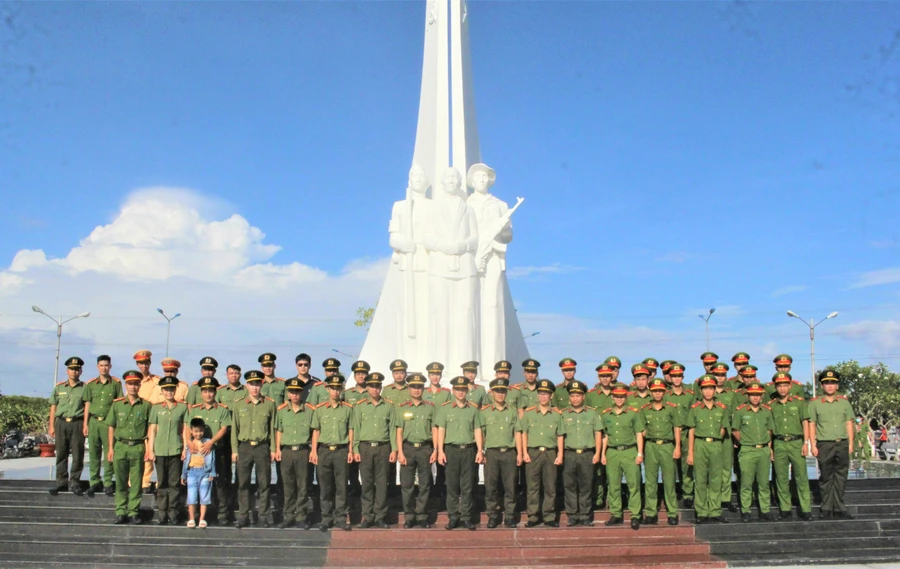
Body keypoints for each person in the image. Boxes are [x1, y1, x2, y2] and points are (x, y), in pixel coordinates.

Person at [423, 167, 480, 368]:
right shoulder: (433, 208)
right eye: (448, 177)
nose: (452, 181)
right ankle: (439, 366)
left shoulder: (469, 209)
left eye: (455, 178)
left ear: (459, 182)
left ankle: (466, 366)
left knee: (466, 313)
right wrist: (443, 246)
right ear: (442, 182)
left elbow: (475, 238)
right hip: (440, 265)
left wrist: (462, 246)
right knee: (439, 314)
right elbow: (426, 237)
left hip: (465, 266)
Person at [436, 376, 484, 530]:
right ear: (453, 390)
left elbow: (477, 431)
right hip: (451, 451)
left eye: (463, 389)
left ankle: (466, 517)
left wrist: (480, 450)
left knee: (467, 486)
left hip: (468, 450)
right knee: (452, 486)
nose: (461, 392)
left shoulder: (473, 409)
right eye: (458, 389)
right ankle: (453, 517)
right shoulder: (445, 409)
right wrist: (440, 451)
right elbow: (441, 430)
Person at [231, 370, 276, 528]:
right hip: (244, 448)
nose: (255, 387)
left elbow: (272, 429)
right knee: (243, 483)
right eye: (252, 384)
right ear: (247, 385)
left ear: (261, 385)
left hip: (262, 447)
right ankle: (243, 516)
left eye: (257, 384)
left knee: (264, 483)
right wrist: (234, 450)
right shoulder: (239, 405)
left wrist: (273, 449)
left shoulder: (269, 404)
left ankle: (263, 516)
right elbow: (234, 430)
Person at [353, 372, 398, 528]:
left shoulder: (389, 406)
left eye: (377, 386)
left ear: (381, 388)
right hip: (365, 448)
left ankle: (380, 516)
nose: (375, 389)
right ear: (367, 388)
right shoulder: (359, 407)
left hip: (383, 448)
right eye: (372, 386)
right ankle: (368, 516)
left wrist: (394, 450)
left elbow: (392, 429)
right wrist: (355, 449)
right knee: (366, 483)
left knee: (381, 483)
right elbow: (356, 429)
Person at [107, 370, 152, 524]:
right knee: (120, 482)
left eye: (135, 384)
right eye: (130, 384)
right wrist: (111, 449)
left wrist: (148, 448)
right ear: (126, 385)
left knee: (136, 482)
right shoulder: (117, 404)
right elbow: (111, 426)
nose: (133, 387)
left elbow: (150, 428)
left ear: (140, 385)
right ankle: (120, 511)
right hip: (120, 446)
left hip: (138, 447)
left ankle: (133, 511)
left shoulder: (146, 406)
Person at [808, 369, 854, 519]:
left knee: (841, 476)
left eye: (833, 383)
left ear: (837, 385)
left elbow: (848, 423)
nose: (830, 386)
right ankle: (826, 508)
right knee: (826, 476)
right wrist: (813, 445)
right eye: (826, 383)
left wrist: (851, 443)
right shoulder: (815, 404)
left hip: (842, 443)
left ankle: (840, 507)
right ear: (822, 386)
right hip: (824, 444)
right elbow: (812, 424)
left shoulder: (844, 403)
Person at [311, 375, 354, 532]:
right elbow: (316, 431)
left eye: (338, 388)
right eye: (332, 388)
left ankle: (341, 517)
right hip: (324, 451)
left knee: (341, 486)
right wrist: (314, 451)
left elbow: (351, 430)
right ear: (327, 389)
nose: (335, 391)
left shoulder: (348, 409)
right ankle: (326, 518)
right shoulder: (320, 409)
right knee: (325, 486)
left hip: (341, 450)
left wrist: (350, 450)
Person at [517, 379, 563, 528]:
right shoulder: (529, 414)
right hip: (533, 452)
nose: (543, 397)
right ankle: (533, 516)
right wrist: (524, 452)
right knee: (532, 487)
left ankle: (549, 516)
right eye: (541, 394)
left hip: (550, 452)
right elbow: (524, 433)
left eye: (546, 394)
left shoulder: (557, 414)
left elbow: (560, 435)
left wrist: (560, 454)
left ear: (551, 396)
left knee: (550, 486)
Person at [189, 376, 233, 525]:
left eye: (211, 391)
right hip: (198, 454)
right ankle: (197, 516)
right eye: (205, 391)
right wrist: (189, 442)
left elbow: (224, 428)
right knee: (198, 483)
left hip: (217, 451)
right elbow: (186, 427)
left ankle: (222, 515)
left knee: (220, 483)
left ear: (215, 392)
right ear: (201, 393)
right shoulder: (194, 410)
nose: (208, 394)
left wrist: (212, 442)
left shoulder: (222, 410)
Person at [601, 384, 645, 530]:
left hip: (629, 451)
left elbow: (639, 433)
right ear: (612, 397)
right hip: (612, 452)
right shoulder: (606, 414)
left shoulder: (633, 413)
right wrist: (603, 453)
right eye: (616, 396)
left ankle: (635, 515)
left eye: (622, 396)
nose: (619, 399)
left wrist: (640, 453)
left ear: (625, 397)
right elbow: (605, 436)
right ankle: (616, 514)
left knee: (634, 484)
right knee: (613, 485)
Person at [686, 375, 730, 524]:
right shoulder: (695, 409)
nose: (708, 392)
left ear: (714, 390)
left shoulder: (721, 408)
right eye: (705, 389)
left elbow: (724, 428)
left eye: (711, 388)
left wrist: (716, 439)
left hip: (716, 445)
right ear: (701, 390)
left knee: (716, 479)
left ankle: (715, 511)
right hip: (700, 444)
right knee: (700, 479)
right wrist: (691, 452)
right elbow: (691, 431)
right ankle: (702, 511)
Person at [769, 372, 812, 520]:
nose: (782, 389)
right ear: (776, 387)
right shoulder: (771, 405)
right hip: (779, 443)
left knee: (801, 477)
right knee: (781, 478)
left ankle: (805, 509)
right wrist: (770, 447)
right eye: (779, 386)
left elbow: (805, 423)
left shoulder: (799, 403)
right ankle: (785, 509)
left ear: (790, 386)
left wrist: (806, 443)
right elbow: (769, 428)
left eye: (785, 385)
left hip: (796, 442)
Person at [396, 373, 436, 528]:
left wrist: (436, 449)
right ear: (408, 388)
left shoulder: (430, 408)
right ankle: (409, 516)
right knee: (407, 485)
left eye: (419, 387)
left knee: (425, 484)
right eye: (414, 386)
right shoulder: (402, 408)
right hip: (407, 448)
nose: (416, 390)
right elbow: (399, 431)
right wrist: (400, 451)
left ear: (423, 389)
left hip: (425, 448)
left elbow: (434, 429)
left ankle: (422, 516)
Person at [560, 380, 603, 527]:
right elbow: (560, 436)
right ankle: (572, 515)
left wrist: (597, 453)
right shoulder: (564, 414)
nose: (575, 398)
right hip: (570, 454)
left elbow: (598, 433)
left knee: (586, 485)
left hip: (587, 454)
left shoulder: (592, 413)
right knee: (570, 485)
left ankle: (585, 515)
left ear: (583, 397)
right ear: (569, 397)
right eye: (573, 395)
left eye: (578, 395)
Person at [275, 377, 315, 529]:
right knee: (288, 485)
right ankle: (288, 515)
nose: (295, 395)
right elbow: (279, 430)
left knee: (303, 485)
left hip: (303, 451)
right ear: (288, 393)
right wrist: (278, 449)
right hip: (287, 452)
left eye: (297, 392)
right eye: (292, 392)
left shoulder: (310, 410)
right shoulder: (282, 411)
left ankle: (302, 516)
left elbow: (314, 432)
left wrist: (313, 451)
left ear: (302, 393)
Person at [640, 378, 682, 526]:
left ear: (664, 392)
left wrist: (677, 447)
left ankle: (672, 513)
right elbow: (641, 429)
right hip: (651, 446)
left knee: (669, 481)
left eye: (660, 391)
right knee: (650, 481)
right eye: (655, 391)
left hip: (667, 446)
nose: (657, 393)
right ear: (651, 392)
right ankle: (651, 513)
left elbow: (677, 427)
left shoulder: (671, 408)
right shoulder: (645, 409)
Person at [148, 375, 189, 525]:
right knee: (161, 482)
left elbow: (185, 429)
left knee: (174, 483)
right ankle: (162, 513)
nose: (169, 392)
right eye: (166, 389)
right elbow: (152, 430)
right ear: (162, 391)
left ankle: (173, 512)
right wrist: (150, 449)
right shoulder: (156, 408)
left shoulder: (182, 407)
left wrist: (185, 448)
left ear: (175, 390)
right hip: (159, 449)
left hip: (175, 449)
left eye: (171, 389)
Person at [731, 382, 775, 522]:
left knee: (763, 483)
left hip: (763, 449)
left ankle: (765, 510)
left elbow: (770, 430)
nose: (755, 398)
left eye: (758, 395)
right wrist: (744, 442)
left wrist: (766, 443)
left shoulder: (767, 411)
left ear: (761, 396)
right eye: (752, 395)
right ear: (748, 395)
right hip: (747, 450)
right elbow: (735, 430)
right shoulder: (741, 411)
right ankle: (746, 510)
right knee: (746, 482)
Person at [480, 377, 520, 529]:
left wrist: (519, 452)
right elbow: (482, 433)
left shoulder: (513, 412)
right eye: (497, 391)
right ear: (491, 393)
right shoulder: (484, 413)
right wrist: (481, 451)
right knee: (491, 486)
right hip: (492, 453)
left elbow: (517, 433)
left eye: (503, 391)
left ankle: (509, 516)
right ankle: (493, 515)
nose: (500, 394)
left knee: (510, 486)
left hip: (509, 452)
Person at [82, 355, 123, 498]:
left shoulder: (116, 384)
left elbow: (118, 404)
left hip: (108, 422)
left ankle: (107, 482)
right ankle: (94, 481)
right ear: (97, 367)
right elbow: (87, 404)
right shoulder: (91, 384)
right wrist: (85, 423)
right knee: (93, 453)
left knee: (109, 453)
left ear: (110, 366)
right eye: (101, 365)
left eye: (106, 365)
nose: (104, 368)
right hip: (93, 421)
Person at [49, 356, 87, 496]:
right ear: (67, 371)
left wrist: (85, 424)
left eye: (77, 369)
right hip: (61, 423)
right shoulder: (59, 387)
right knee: (61, 453)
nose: (74, 372)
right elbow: (53, 407)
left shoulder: (84, 388)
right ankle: (61, 482)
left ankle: (75, 482)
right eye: (71, 369)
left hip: (77, 422)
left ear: (81, 371)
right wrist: (51, 426)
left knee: (78, 454)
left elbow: (87, 406)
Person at [663, 363, 694, 508]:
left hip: (686, 432)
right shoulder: (665, 395)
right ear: (670, 377)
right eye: (674, 376)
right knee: (671, 464)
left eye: (679, 376)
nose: (676, 379)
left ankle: (687, 493)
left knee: (686, 464)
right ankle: (674, 491)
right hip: (669, 433)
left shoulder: (690, 395)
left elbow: (694, 414)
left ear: (683, 377)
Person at [587, 363, 616, 509]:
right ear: (599, 377)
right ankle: (598, 499)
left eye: (608, 376)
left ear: (612, 377)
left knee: (612, 473)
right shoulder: (591, 395)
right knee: (597, 472)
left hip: (614, 438)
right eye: (602, 376)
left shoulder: (617, 394)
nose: (605, 379)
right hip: (596, 438)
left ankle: (612, 501)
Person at [181, 417, 215, 529]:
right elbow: (186, 460)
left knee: (204, 495)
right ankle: (191, 518)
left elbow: (212, 459)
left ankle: (202, 519)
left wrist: (212, 473)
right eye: (196, 431)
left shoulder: (208, 443)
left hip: (205, 472)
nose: (198, 433)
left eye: (200, 431)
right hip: (191, 472)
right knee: (192, 495)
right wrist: (183, 474)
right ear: (191, 431)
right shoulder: (189, 444)